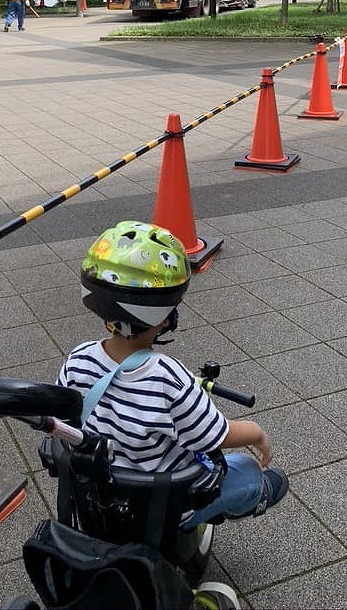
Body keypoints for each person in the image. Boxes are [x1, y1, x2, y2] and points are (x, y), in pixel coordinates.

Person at [57, 221, 289, 528]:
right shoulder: (168, 378)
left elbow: (61, 418)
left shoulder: (79, 359)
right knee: (246, 471)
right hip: (161, 507)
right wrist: (257, 433)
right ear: (164, 317)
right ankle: (250, 499)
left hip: (97, 498)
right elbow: (215, 435)